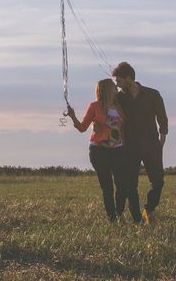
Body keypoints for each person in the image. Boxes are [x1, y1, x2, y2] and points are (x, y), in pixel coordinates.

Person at [112, 62, 168, 224]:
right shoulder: (119, 98)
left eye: (119, 81)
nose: (117, 84)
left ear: (129, 78)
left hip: (152, 144)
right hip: (129, 146)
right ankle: (137, 218)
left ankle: (149, 209)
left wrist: (162, 140)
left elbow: (162, 118)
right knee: (131, 184)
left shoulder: (152, 94)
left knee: (158, 181)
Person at [66, 79, 129, 222]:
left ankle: (119, 213)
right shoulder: (94, 106)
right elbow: (82, 128)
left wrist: (124, 142)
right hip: (99, 150)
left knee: (122, 185)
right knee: (107, 187)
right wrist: (72, 115)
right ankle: (112, 218)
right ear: (107, 89)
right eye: (114, 87)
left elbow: (124, 127)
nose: (116, 88)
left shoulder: (119, 106)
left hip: (118, 150)